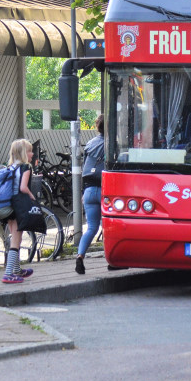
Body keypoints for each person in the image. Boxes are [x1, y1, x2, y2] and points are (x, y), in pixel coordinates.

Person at [2, 138, 36, 285]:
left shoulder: (10, 167)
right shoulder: (26, 167)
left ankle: (16, 269)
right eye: (29, 151)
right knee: (17, 239)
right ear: (23, 153)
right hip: (18, 205)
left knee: (14, 237)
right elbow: (23, 187)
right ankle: (8, 273)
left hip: (8, 205)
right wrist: (31, 196)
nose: (32, 154)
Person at [76, 114, 105, 275]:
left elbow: (84, 168)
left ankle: (80, 256)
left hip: (88, 191)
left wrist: (83, 192)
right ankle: (112, 261)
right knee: (107, 228)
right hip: (104, 189)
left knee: (91, 228)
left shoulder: (90, 144)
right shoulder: (113, 144)